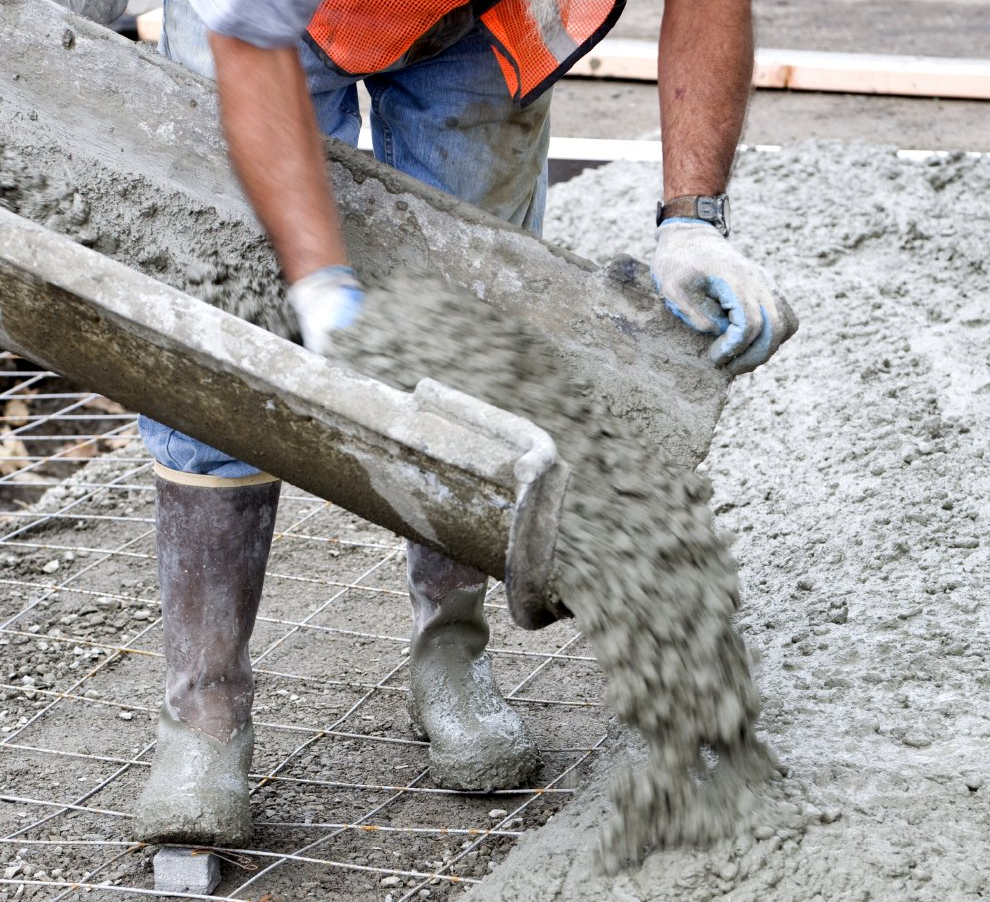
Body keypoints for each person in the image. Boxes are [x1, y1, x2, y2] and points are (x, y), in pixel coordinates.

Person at [129, 0, 798, 846]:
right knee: (224, 299)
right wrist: (321, 282)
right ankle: (204, 711)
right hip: (271, 22)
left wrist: (692, 220)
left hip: (487, 20)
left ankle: (450, 655)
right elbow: (250, 47)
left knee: (476, 295)